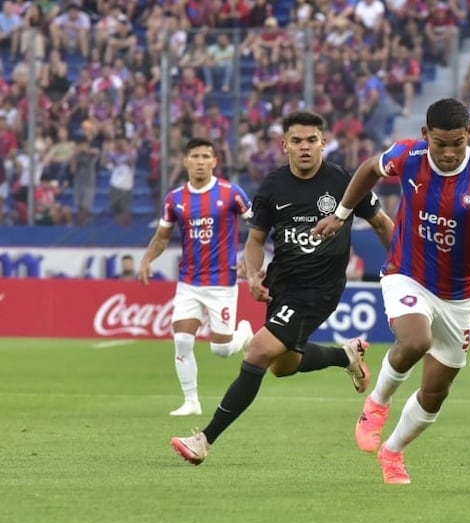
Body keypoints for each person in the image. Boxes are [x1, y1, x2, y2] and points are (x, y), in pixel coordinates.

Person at [313, 98, 470, 484]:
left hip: (458, 295)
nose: (447, 152)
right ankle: (376, 404)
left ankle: (393, 452)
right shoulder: (409, 156)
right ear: (425, 135)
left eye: (456, 144)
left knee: (436, 391)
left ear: (469, 136)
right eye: (439, 143)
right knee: (415, 339)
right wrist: (341, 215)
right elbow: (367, 170)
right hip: (406, 272)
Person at [169, 111, 394, 465]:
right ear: (284, 145)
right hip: (281, 285)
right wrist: (255, 274)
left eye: (311, 140)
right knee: (282, 366)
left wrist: (405, 265)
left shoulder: (343, 182)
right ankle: (345, 356)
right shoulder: (273, 186)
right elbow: (256, 239)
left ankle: (204, 439)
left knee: (258, 350)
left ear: (323, 142)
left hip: (320, 288)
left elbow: (380, 222)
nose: (304, 147)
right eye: (297, 141)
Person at [138, 137, 255, 417]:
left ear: (215, 161)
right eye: (195, 156)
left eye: (206, 157)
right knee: (182, 340)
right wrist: (146, 259)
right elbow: (162, 237)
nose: (201, 162)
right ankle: (191, 402)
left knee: (222, 351)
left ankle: (245, 332)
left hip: (222, 283)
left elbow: (258, 226)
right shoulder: (175, 199)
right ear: (186, 161)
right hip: (189, 282)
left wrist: (250, 261)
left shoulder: (231, 193)